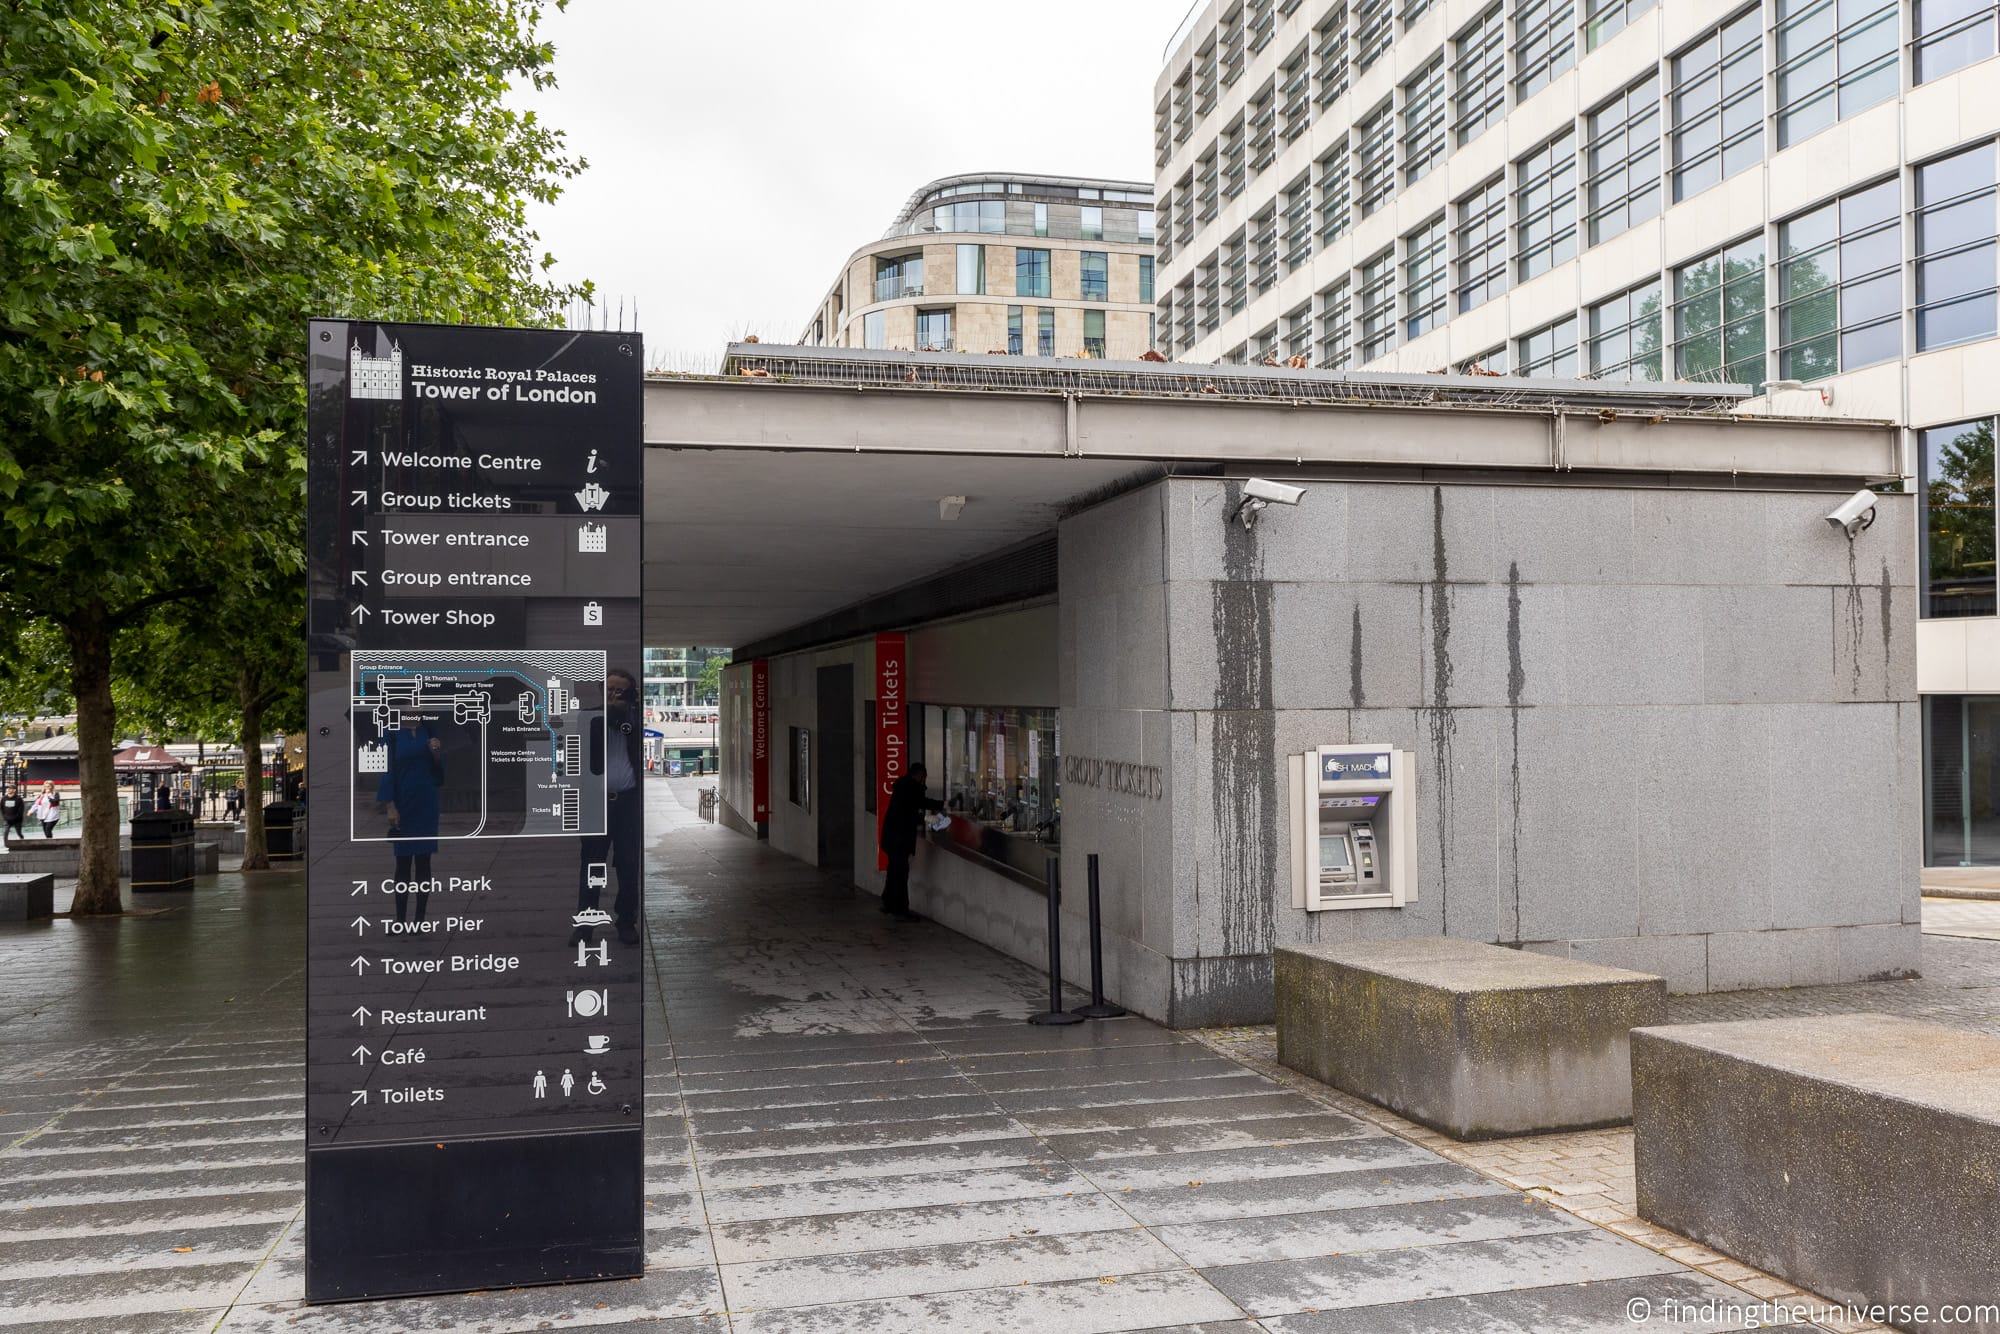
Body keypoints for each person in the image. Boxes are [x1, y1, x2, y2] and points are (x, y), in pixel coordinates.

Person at [578, 668, 644, 946]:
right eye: (609, 690)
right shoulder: (591, 717)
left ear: (631, 694)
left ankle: (626, 921)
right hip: (596, 804)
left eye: (619, 691)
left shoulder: (636, 719)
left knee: (628, 866)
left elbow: (631, 728)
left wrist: (627, 711)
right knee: (592, 864)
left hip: (627, 802)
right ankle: (585, 923)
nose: (613, 695)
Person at [376, 718, 443, 922]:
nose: (416, 704)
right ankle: (400, 920)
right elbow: (385, 770)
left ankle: (420, 920)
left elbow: (439, 775)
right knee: (403, 862)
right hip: (403, 802)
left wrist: (436, 752)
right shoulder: (391, 732)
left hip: (427, 803)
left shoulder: (429, 730)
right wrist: (390, 805)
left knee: (424, 861)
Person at [879, 762, 944, 921]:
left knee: (894, 871)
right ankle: (900, 909)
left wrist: (939, 805)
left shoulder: (903, 786)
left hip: (892, 838)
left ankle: (889, 903)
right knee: (900, 873)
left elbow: (919, 802)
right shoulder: (910, 788)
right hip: (899, 839)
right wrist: (930, 816)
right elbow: (913, 809)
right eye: (923, 778)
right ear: (919, 775)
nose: (924, 781)